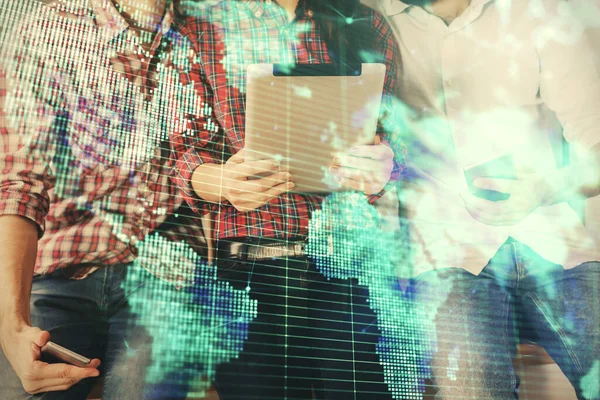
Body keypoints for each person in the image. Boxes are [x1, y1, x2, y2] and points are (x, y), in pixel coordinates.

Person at [363, 0, 600, 398]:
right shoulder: (370, 19)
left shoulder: (538, 12)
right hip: (443, 256)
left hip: (555, 241)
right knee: (472, 391)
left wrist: (549, 186)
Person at [171, 0, 405, 398]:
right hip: (247, 274)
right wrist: (221, 180)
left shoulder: (363, 22)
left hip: (351, 270)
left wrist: (386, 165)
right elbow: (178, 151)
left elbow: (397, 135)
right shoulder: (200, 26)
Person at [0, 0, 212, 398]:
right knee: (26, 386)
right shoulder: (46, 32)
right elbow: (18, 186)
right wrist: (10, 324)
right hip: (56, 270)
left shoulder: (210, 33)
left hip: (164, 277)